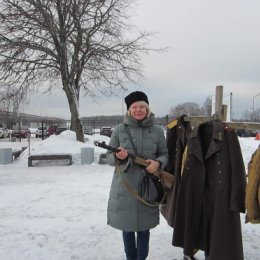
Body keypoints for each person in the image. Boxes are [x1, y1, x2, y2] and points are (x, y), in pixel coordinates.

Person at [106, 91, 168, 260]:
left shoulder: (157, 131)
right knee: (127, 228)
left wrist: (158, 163)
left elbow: (164, 153)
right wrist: (117, 157)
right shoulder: (119, 130)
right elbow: (108, 158)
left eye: (142, 106)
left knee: (143, 229)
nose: (138, 110)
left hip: (148, 186)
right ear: (129, 110)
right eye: (135, 107)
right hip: (125, 187)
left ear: (147, 109)